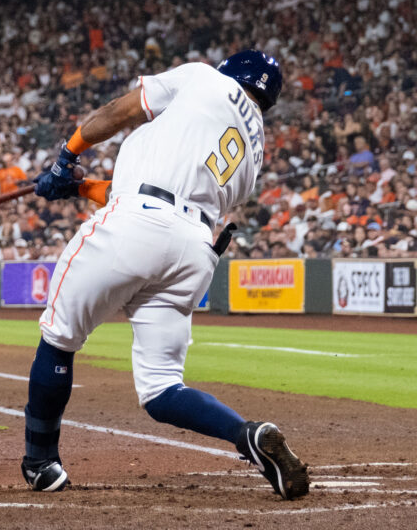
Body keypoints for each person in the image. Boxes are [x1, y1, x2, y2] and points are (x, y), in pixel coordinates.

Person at [23, 50, 310, 500]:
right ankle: (248, 435)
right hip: (193, 249)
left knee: (59, 337)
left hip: (137, 223)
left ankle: (41, 463)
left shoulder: (202, 78)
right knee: (161, 388)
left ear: (231, 71)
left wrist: (66, 157)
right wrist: (78, 186)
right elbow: (159, 193)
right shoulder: (255, 151)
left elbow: (119, 112)